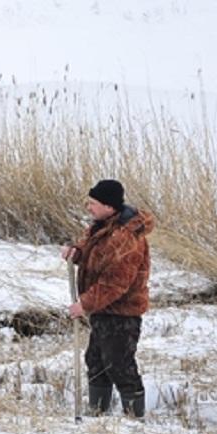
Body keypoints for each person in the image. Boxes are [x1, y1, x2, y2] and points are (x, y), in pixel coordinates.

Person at [61, 179, 154, 418]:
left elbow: (115, 283)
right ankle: (97, 413)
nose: (88, 207)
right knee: (96, 361)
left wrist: (85, 304)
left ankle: (134, 418)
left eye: (93, 203)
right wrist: (77, 252)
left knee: (119, 364)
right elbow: (92, 251)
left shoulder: (125, 238)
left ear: (109, 207)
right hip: (104, 310)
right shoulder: (102, 227)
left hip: (122, 312)